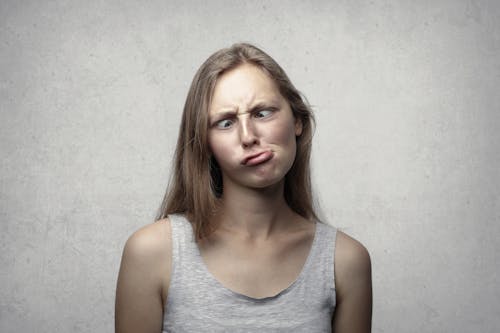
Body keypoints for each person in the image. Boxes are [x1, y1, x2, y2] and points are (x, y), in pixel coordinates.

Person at [115, 43, 372, 332]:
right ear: (205, 144)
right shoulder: (152, 253)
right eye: (225, 123)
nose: (248, 137)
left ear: (297, 120)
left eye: (262, 113)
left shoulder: (345, 262)